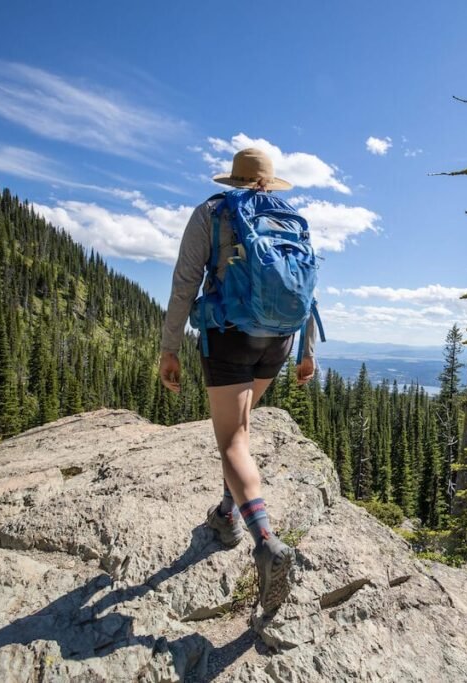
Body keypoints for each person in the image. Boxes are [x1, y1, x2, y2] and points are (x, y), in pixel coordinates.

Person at [158, 147, 317, 614]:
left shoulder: (211, 212)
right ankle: (226, 513)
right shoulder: (289, 216)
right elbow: (307, 288)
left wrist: (169, 348)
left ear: (234, 179)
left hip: (229, 335)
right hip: (280, 340)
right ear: (268, 181)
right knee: (241, 431)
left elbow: (185, 283)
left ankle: (265, 541)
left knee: (232, 441)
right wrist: (308, 351)